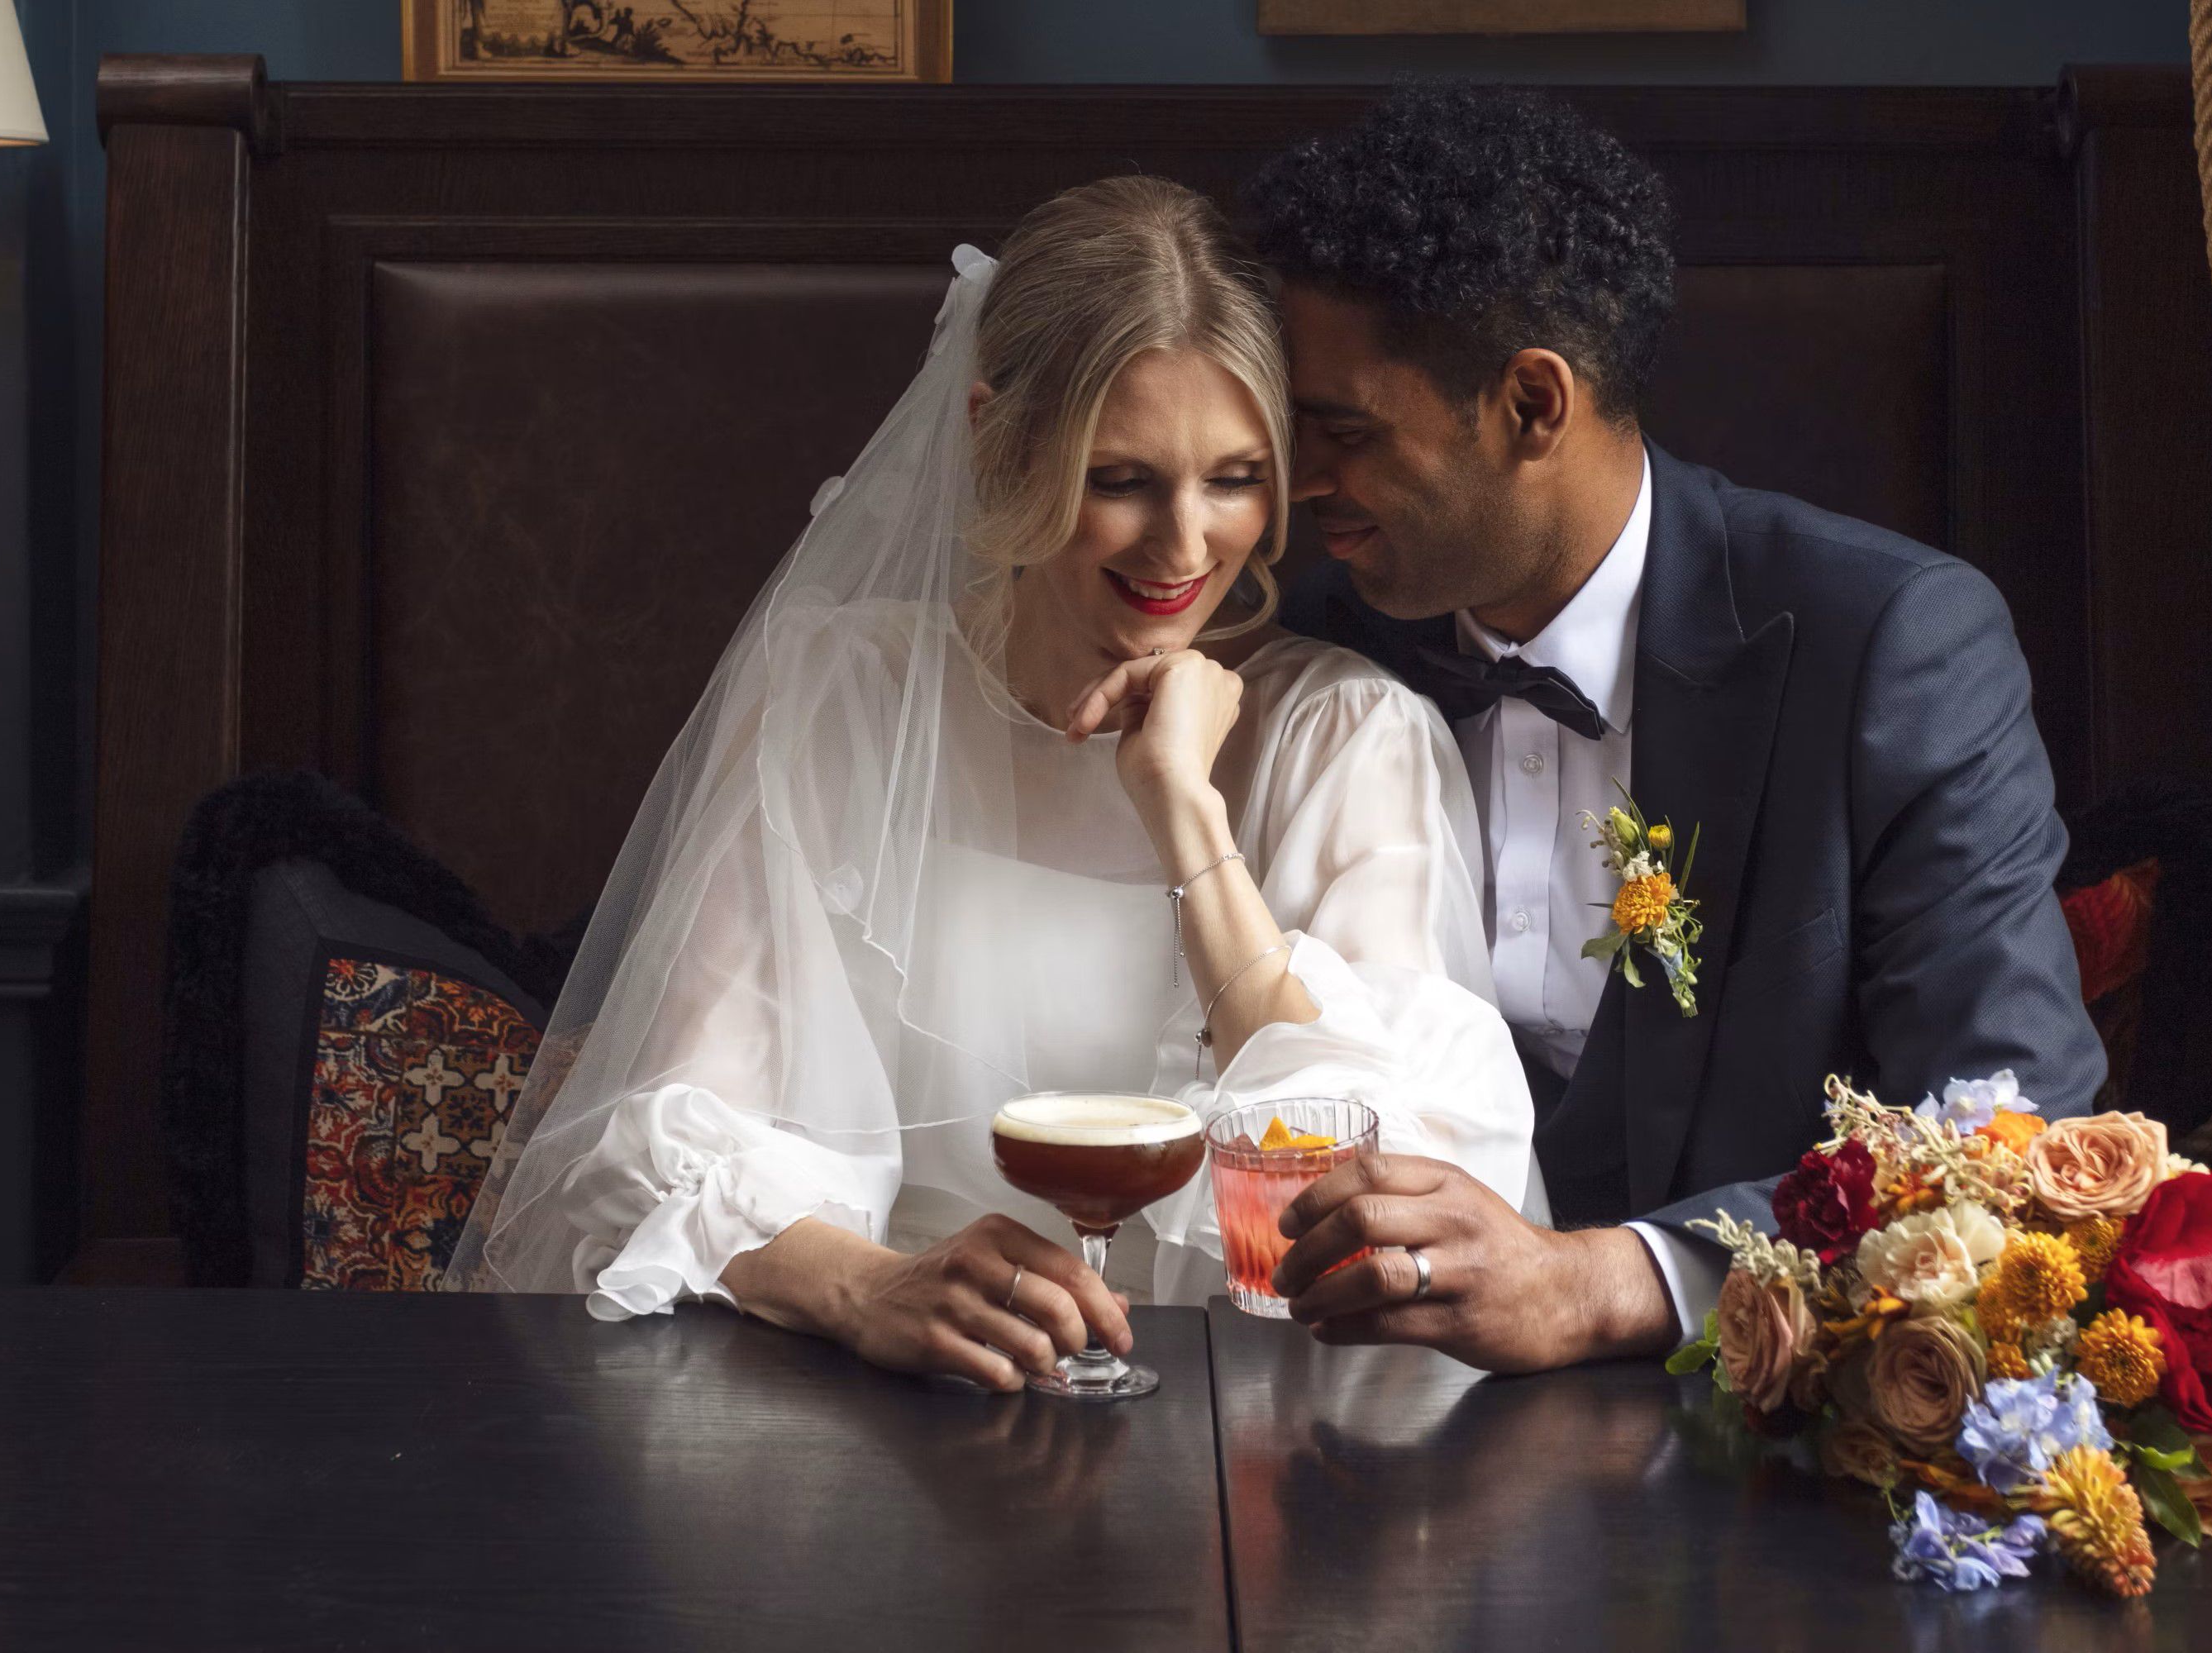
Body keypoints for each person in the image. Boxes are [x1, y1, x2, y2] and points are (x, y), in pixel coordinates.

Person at [444, 177, 1538, 1393]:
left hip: (1255, 1443)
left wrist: (1184, 812)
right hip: (890, 1408)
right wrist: (869, 1288)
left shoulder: (1351, 734)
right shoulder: (839, 691)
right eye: (1122, 480)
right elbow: (653, 1145)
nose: (1186, 547)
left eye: (1233, 479)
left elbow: (1372, 1202)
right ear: (994, 439)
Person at [1256, 85, 2106, 1371]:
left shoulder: (1889, 641)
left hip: (1763, 1431)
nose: (1298, 479)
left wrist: (1608, 1282)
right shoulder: (1308, 647)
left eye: (1344, 432)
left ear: (1533, 405)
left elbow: (2011, 1125)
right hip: (1356, 1417)